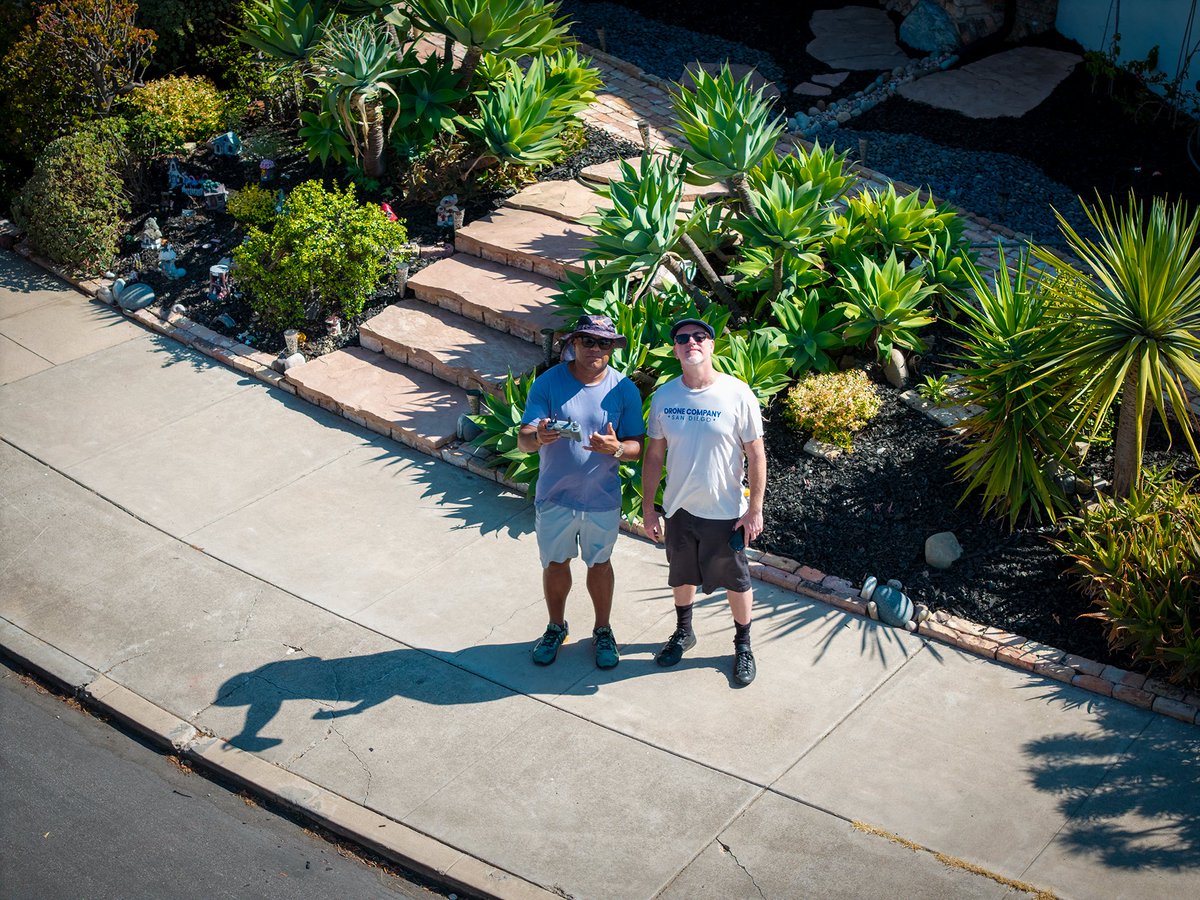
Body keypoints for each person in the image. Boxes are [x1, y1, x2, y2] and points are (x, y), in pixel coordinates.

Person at [642, 317, 766, 686]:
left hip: (725, 511)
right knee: (681, 575)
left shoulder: (737, 393)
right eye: (682, 339)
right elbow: (653, 456)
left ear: (711, 345)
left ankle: (742, 646)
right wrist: (650, 508)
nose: (691, 342)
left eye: (700, 337)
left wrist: (755, 509)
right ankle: (684, 632)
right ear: (676, 349)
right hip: (680, 509)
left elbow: (757, 455)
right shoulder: (665, 396)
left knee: (736, 581)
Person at [518, 314, 645, 669]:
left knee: (600, 564)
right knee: (556, 564)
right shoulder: (548, 383)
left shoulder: (624, 389)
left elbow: (638, 445)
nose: (595, 349)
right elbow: (524, 440)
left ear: (611, 349)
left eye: (604, 343)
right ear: (574, 344)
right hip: (555, 496)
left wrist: (616, 448)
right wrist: (538, 436)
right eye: (588, 341)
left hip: (600, 500)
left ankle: (603, 630)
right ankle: (556, 627)